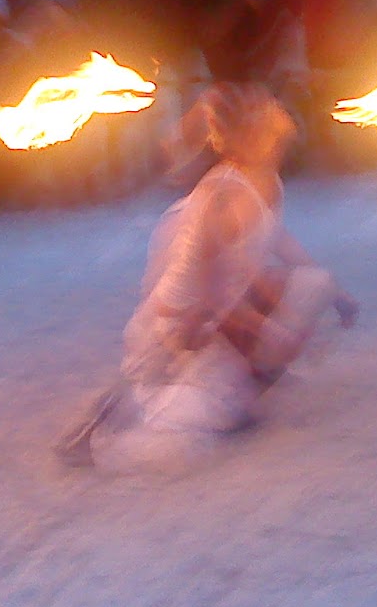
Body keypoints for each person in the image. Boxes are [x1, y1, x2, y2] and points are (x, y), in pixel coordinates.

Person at [57, 83, 357, 471]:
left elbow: (274, 238)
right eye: (268, 110)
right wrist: (268, 329)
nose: (278, 110)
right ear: (254, 136)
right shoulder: (224, 199)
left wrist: (335, 293)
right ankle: (110, 431)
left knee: (314, 285)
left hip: (218, 317)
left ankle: (232, 389)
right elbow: (208, 298)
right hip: (177, 334)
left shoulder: (263, 179)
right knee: (189, 449)